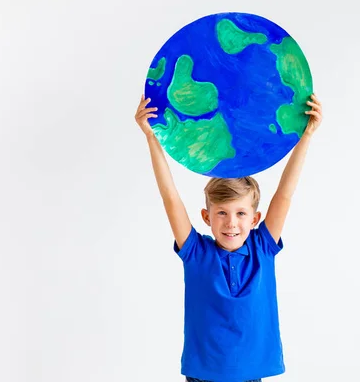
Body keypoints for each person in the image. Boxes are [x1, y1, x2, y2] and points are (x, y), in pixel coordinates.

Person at [134, 94, 323, 382]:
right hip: (203, 377)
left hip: (250, 376)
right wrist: (151, 137)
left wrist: (307, 135)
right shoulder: (197, 254)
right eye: (221, 213)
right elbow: (170, 197)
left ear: (255, 218)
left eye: (240, 214)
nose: (231, 223)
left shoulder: (263, 247)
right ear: (207, 217)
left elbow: (285, 193)